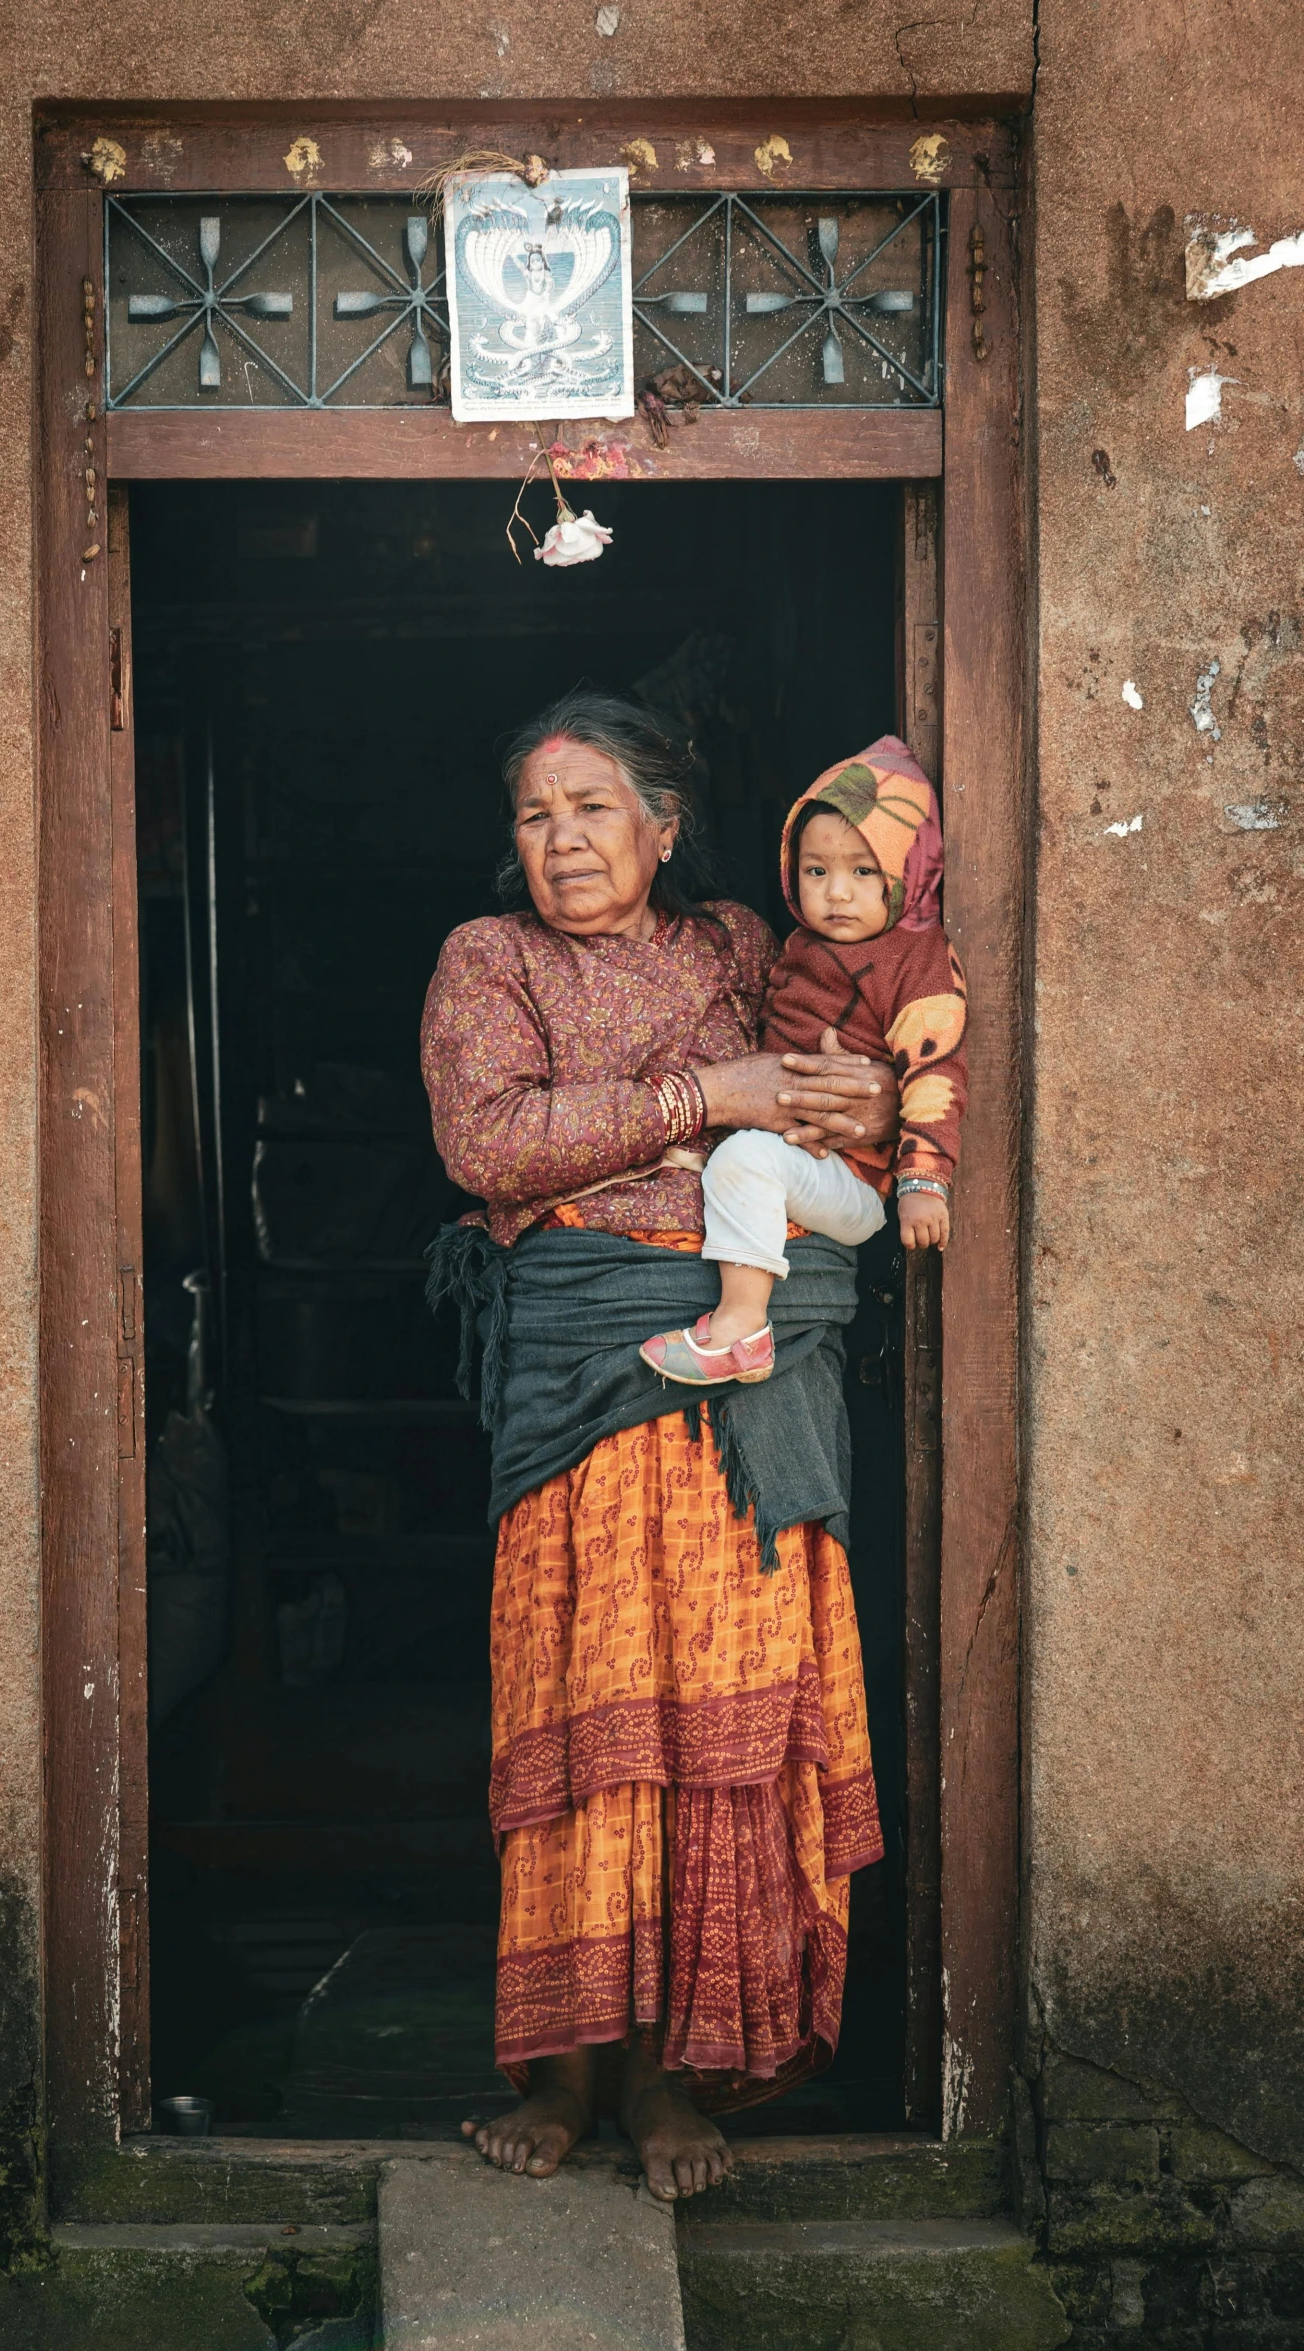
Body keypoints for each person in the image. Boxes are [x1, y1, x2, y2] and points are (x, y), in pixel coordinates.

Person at [420, 689, 893, 2201]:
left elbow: (823, 1074)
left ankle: (672, 2078)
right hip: (581, 1389)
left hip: (743, 1400)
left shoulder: (740, 947)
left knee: (720, 1727)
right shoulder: (487, 963)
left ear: (663, 827)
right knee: (584, 1726)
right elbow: (487, 1144)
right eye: (533, 814)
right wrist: (702, 1099)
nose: (560, 839)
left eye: (592, 808)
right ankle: (559, 2072)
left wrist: (863, 1093)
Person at [639, 737, 968, 1385]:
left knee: (741, 1161)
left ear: (910, 870)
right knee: (742, 1160)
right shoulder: (800, 944)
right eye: (816, 871)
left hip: (854, 1179)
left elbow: (935, 1074)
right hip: (802, 1166)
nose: (836, 893)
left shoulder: (918, 961)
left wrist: (921, 1182)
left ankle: (740, 1330)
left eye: (863, 871)